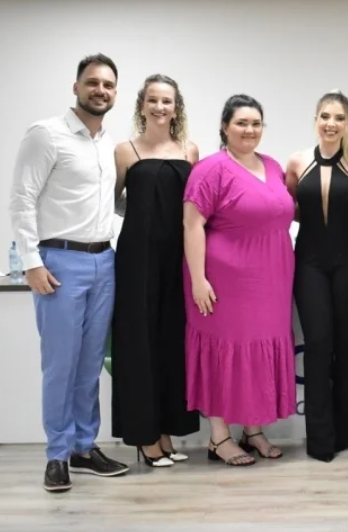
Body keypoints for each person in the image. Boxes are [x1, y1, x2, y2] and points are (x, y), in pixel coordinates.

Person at [9, 53, 129, 493]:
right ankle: (57, 455)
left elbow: (115, 203)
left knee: (90, 363)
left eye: (108, 85)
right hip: (58, 262)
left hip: (104, 261)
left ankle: (83, 447)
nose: (101, 90)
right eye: (93, 82)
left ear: (115, 93)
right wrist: (31, 262)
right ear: (76, 87)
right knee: (61, 365)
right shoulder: (46, 135)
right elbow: (22, 199)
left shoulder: (108, 145)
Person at [183, 94, 296, 467]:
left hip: (271, 281)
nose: (250, 130)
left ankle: (253, 430)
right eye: (241, 123)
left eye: (256, 123)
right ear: (224, 127)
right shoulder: (210, 169)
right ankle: (219, 438)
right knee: (224, 353)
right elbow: (192, 225)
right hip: (224, 282)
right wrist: (198, 279)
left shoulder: (273, 166)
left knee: (256, 355)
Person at [110, 74, 201, 468]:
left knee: (171, 342)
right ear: (142, 105)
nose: (160, 107)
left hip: (179, 255)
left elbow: (196, 206)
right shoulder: (125, 151)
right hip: (138, 257)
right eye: (153, 100)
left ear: (176, 107)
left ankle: (165, 431)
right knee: (139, 343)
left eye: (167, 101)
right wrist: (143, 215)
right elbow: (111, 202)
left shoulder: (189, 150)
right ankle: (144, 437)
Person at [285, 91, 348, 463]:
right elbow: (286, 209)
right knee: (318, 343)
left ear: (347, 123)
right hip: (309, 260)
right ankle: (320, 441)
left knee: (346, 343)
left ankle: (345, 434)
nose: (331, 123)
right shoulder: (296, 161)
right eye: (325, 116)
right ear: (315, 119)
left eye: (339, 117)